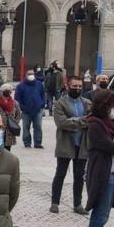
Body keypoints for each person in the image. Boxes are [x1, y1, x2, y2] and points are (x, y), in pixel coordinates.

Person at [84, 89, 114, 227]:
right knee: (100, 210)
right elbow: (108, 146)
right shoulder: (95, 124)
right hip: (102, 170)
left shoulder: (112, 124)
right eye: (113, 105)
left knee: (106, 210)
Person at [50, 76, 91, 215]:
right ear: (68, 86)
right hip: (66, 143)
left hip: (82, 144)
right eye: (75, 86)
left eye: (80, 86)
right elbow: (62, 123)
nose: (78, 88)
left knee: (79, 176)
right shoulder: (59, 104)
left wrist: (75, 120)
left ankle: (77, 204)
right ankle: (55, 203)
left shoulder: (87, 103)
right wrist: (82, 121)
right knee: (60, 173)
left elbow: (92, 119)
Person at [14, 69, 45, 149]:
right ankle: (27, 143)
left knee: (38, 126)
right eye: (29, 74)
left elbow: (43, 95)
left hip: (38, 110)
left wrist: (42, 104)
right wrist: (22, 107)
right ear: (26, 75)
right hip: (26, 111)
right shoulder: (20, 86)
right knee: (26, 127)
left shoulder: (39, 84)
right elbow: (17, 98)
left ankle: (38, 143)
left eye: (32, 74)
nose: (31, 75)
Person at [0, 83, 22, 152]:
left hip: (10, 129)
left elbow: (18, 115)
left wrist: (14, 123)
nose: (8, 92)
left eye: (9, 90)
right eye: (6, 90)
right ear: (1, 92)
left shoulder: (15, 103)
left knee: (8, 148)